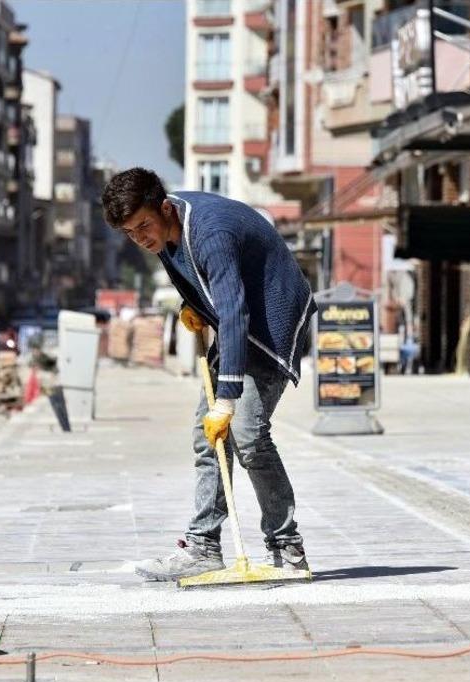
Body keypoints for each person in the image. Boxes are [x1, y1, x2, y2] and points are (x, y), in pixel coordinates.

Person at [101, 168, 317, 582]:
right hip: (239, 321)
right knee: (209, 436)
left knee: (249, 435)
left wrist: (227, 399)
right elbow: (203, 286)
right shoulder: (164, 231)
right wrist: (195, 307)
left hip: (272, 321)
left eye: (143, 225)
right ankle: (203, 547)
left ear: (164, 208)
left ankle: (287, 548)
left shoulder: (210, 232)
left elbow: (235, 312)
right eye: (129, 233)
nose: (140, 238)